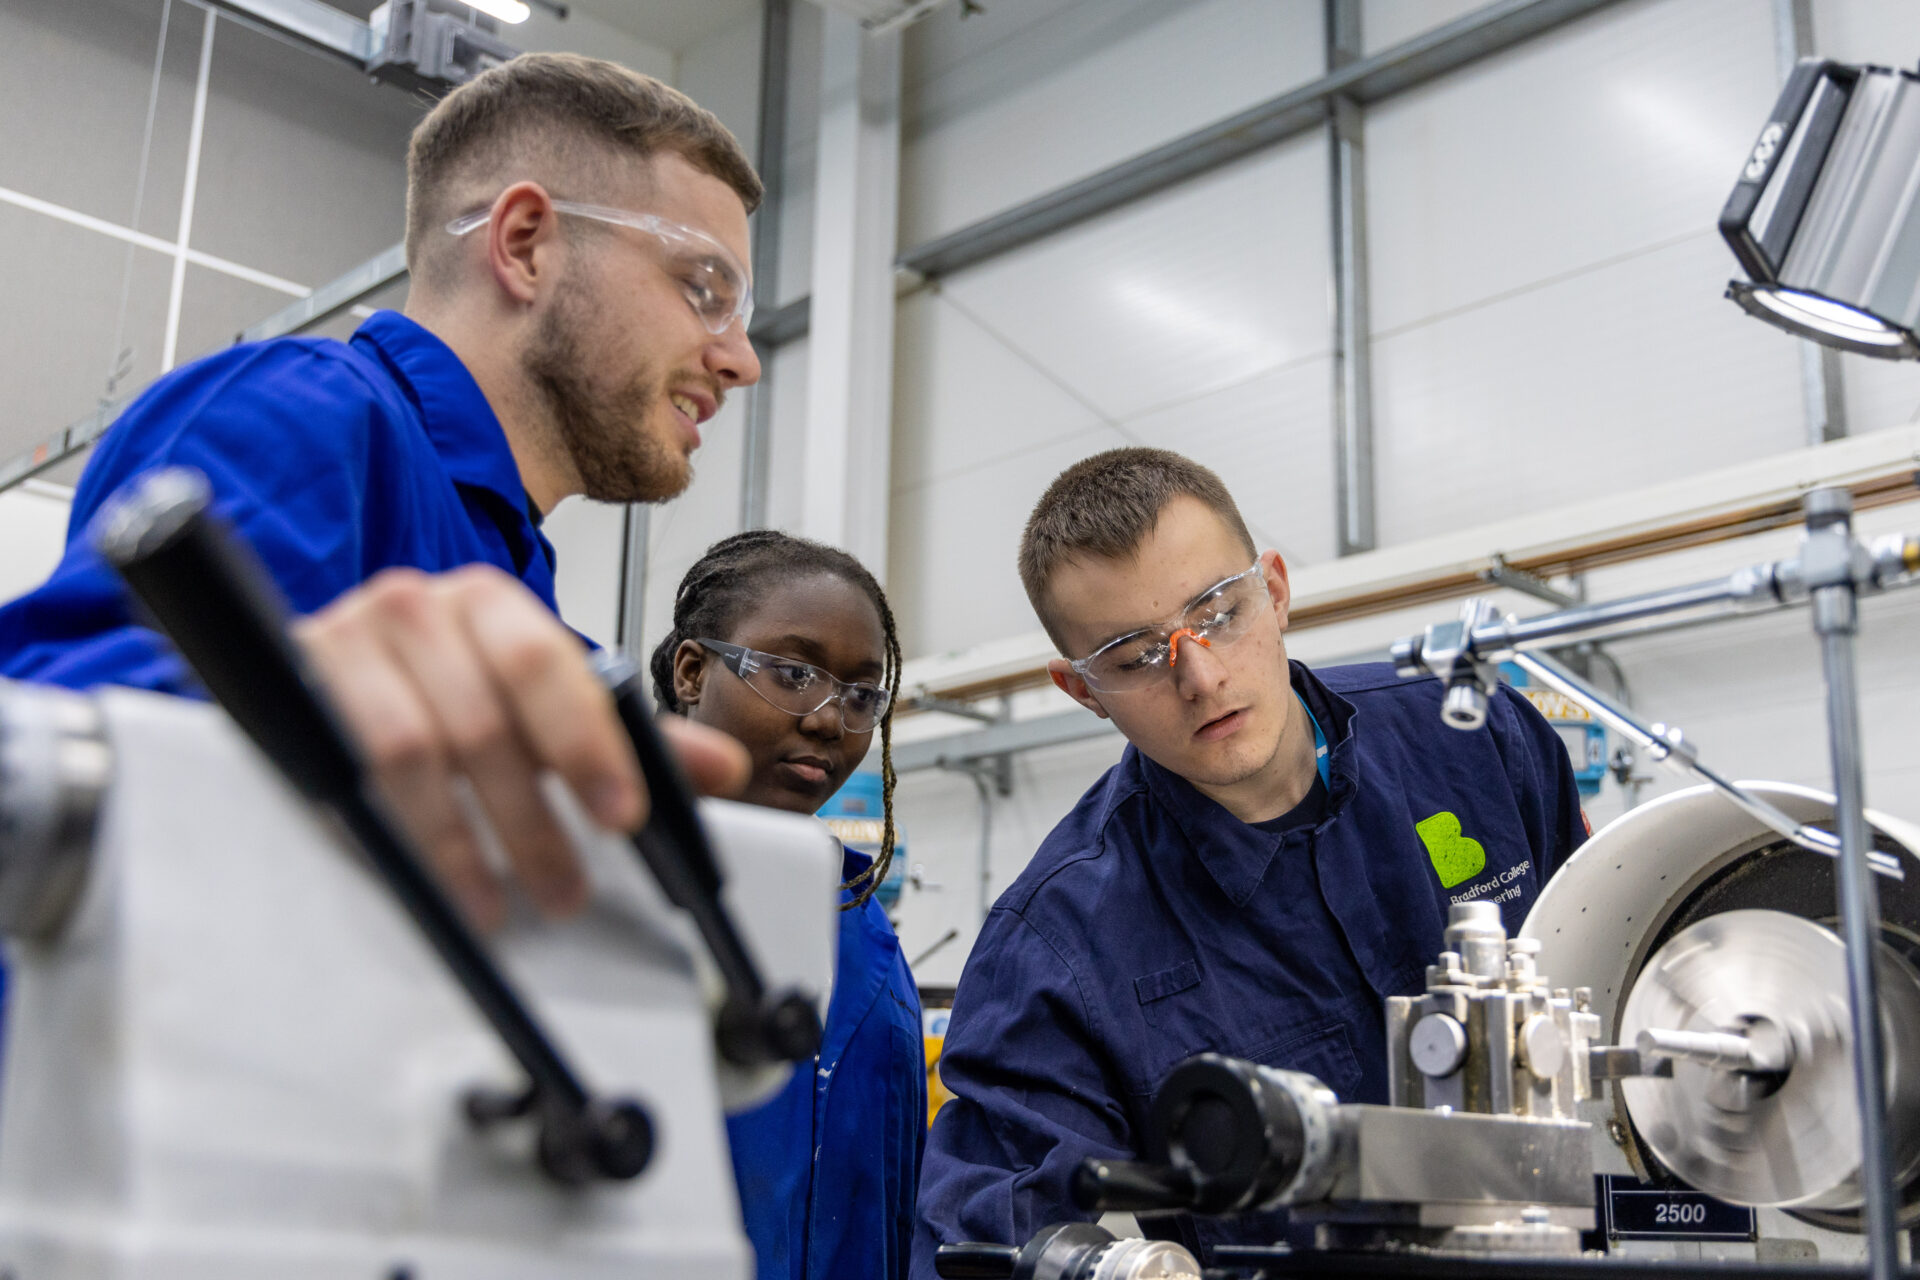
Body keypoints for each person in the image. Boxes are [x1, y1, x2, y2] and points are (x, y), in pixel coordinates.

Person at [0, 53, 765, 923]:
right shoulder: (308, 411)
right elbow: (43, 756)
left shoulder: (510, 563)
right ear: (524, 245)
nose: (741, 360)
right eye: (704, 288)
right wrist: (308, 707)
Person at [910, 448, 1587, 1271]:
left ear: (1275, 588)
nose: (1200, 675)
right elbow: (988, 1231)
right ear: (1081, 690)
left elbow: (1612, 965)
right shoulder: (1056, 945)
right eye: (1136, 656)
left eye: (1220, 612)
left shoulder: (1476, 742)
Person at [650, 531, 924, 1280]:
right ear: (692, 670)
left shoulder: (857, 916)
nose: (830, 720)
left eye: (861, 694)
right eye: (794, 673)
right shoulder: (607, 879)